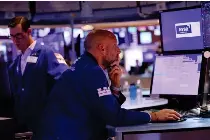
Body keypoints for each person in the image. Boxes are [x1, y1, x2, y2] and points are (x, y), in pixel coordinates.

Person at [36, 30, 180, 140]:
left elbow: (105, 108)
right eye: (115, 46)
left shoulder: (83, 65)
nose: (118, 51)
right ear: (102, 48)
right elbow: (114, 116)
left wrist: (115, 87)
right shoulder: (92, 72)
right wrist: (153, 116)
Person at [7, 16, 69, 133]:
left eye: (19, 35)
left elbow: (65, 82)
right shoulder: (14, 64)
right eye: (12, 36)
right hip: (24, 126)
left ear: (29, 31)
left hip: (46, 124)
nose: (15, 40)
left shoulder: (46, 53)